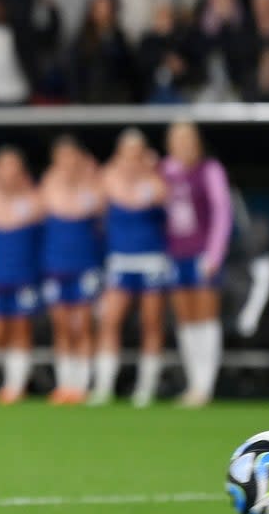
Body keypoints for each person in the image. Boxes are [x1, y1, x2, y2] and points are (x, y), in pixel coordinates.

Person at [92, 129, 168, 407]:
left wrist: (150, 172)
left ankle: (145, 388)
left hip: (151, 259)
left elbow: (164, 201)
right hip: (120, 259)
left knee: (151, 323)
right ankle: (103, 386)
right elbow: (98, 213)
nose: (133, 158)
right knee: (110, 321)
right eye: (127, 153)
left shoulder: (156, 180)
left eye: (137, 153)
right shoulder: (108, 178)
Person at [163, 120, 232, 407]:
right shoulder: (164, 171)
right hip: (175, 254)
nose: (184, 146)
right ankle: (193, 382)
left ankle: (206, 384)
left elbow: (222, 212)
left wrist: (214, 254)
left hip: (202, 253)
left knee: (205, 317)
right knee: (185, 318)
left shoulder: (210, 170)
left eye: (188, 140)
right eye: (178, 140)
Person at [0, 147, 44, 404]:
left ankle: (16, 385)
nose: (8, 172)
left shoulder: (34, 198)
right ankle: (9, 376)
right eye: (3, 166)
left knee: (20, 328)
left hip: (24, 273)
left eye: (13, 166)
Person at [40, 137, 104, 404]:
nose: (66, 163)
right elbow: (53, 208)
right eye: (61, 158)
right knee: (62, 326)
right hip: (56, 264)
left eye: (71, 157)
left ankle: (82, 383)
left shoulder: (92, 186)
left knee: (82, 326)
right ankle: (65, 383)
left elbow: (89, 208)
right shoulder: (48, 185)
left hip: (84, 264)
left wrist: (87, 176)